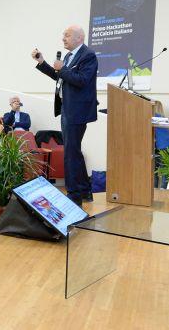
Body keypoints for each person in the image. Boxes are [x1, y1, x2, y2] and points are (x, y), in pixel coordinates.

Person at [33, 24, 98, 206]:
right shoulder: (69, 56)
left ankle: (74, 194)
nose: (63, 38)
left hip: (78, 111)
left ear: (79, 38)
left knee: (70, 152)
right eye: (63, 35)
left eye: (67, 35)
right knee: (74, 151)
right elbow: (60, 77)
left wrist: (62, 69)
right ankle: (85, 191)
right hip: (67, 109)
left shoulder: (88, 55)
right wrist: (42, 63)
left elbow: (81, 80)